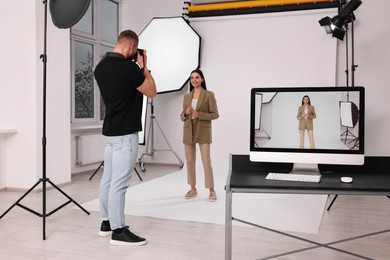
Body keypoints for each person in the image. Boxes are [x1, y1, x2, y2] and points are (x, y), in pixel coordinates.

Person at [94, 30, 157, 246]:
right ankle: (118, 231)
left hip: (110, 132)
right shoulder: (130, 68)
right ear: (132, 47)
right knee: (119, 184)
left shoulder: (100, 68)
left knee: (108, 179)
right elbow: (151, 92)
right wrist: (144, 67)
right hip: (125, 135)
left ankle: (106, 223)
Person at [180, 69, 219, 202]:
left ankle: (212, 190)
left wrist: (199, 114)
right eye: (192, 78)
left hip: (203, 131)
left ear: (202, 79)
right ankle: (193, 189)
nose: (194, 80)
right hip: (188, 131)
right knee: (190, 162)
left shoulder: (209, 95)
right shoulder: (186, 97)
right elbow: (182, 117)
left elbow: (215, 114)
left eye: (197, 77)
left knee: (206, 161)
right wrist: (186, 113)